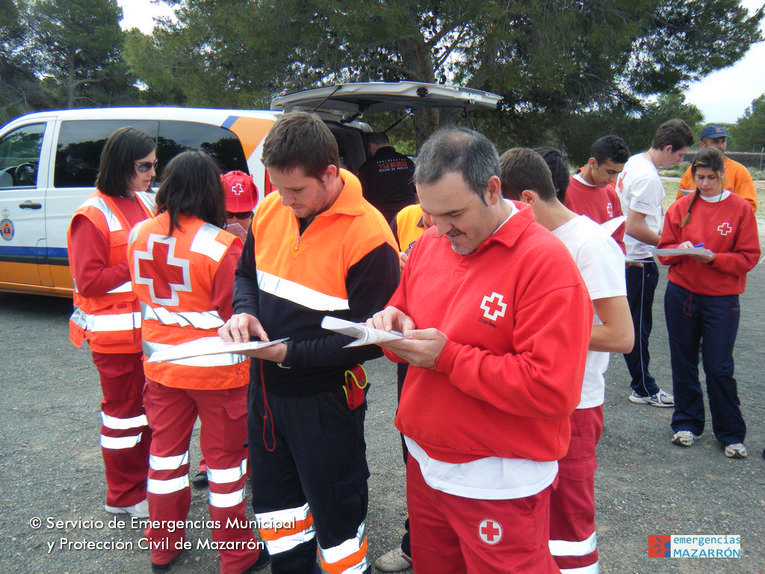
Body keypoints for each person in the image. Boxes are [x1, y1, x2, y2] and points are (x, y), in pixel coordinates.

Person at [367, 127, 593, 573]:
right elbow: (405, 308)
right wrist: (390, 324)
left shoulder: (545, 263)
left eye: (453, 213)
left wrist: (448, 358)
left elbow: (552, 390)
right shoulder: (431, 243)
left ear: (493, 190)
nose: (441, 229)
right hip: (427, 464)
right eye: (430, 214)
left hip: (498, 480)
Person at [218, 112, 400, 574]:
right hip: (266, 394)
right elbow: (246, 276)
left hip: (325, 402)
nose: (285, 200)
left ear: (331, 174)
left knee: (338, 523)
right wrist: (244, 311)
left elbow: (370, 341)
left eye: (297, 190)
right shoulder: (268, 209)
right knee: (279, 515)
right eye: (278, 188)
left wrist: (288, 354)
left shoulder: (370, 235)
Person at [127, 151, 268, 572]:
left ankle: (163, 545)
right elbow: (236, 311)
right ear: (210, 191)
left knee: (165, 460)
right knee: (225, 469)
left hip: (162, 369)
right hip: (217, 375)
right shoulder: (221, 246)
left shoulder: (137, 234)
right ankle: (236, 552)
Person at [500, 147, 634, 574]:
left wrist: (533, 333)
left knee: (568, 525)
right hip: (530, 399)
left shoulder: (590, 245)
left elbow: (621, 335)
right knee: (532, 516)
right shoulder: (532, 240)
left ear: (525, 199)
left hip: (575, 405)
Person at [66, 126, 155, 519]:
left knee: (150, 414)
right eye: (145, 166)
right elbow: (89, 281)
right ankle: (123, 496)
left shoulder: (145, 202)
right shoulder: (91, 214)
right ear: (123, 165)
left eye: (154, 165)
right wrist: (138, 260)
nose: (153, 173)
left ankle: (145, 486)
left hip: (149, 337)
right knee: (123, 421)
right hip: (115, 341)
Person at [657, 148, 760, 459]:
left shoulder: (740, 209)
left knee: (719, 366)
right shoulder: (680, 207)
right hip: (682, 294)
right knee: (683, 360)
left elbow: (749, 257)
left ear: (722, 176)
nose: (704, 184)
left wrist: (714, 258)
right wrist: (681, 248)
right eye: (698, 177)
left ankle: (730, 433)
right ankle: (686, 423)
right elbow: (663, 251)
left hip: (721, 299)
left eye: (710, 178)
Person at [616, 118, 693, 407]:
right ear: (669, 148)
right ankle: (643, 387)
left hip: (627, 256)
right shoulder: (648, 177)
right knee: (637, 327)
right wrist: (669, 246)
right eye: (681, 155)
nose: (680, 161)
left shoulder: (635, 161)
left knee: (634, 324)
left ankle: (642, 383)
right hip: (639, 260)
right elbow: (634, 226)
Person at [374, 202, 434, 573]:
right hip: (411, 361)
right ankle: (416, 541)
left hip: (445, 364)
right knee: (412, 455)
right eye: (426, 212)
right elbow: (400, 290)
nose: (430, 222)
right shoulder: (405, 218)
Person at [191, 169, 260, 490]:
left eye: (243, 213)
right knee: (218, 410)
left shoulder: (264, 233)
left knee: (251, 404)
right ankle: (212, 463)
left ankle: (252, 460)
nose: (235, 219)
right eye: (228, 212)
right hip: (212, 342)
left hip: (250, 336)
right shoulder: (204, 241)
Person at [564, 135, 631, 252]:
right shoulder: (565, 191)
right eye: (610, 172)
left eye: (618, 173)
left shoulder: (610, 193)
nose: (614, 179)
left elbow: (617, 239)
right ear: (593, 163)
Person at [676, 125, 757, 211]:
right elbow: (679, 204)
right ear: (702, 145)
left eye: (723, 142)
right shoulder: (691, 170)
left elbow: (750, 206)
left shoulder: (739, 170)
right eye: (715, 142)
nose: (720, 146)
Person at [358, 132, 417, 222]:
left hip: (383, 220)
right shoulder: (408, 162)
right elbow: (417, 191)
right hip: (408, 218)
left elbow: (360, 197)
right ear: (387, 142)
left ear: (371, 146)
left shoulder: (367, 167)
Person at [222, 170, 259, 242]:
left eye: (242, 215)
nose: (234, 221)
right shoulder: (210, 240)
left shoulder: (262, 241)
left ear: (252, 216)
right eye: (228, 214)